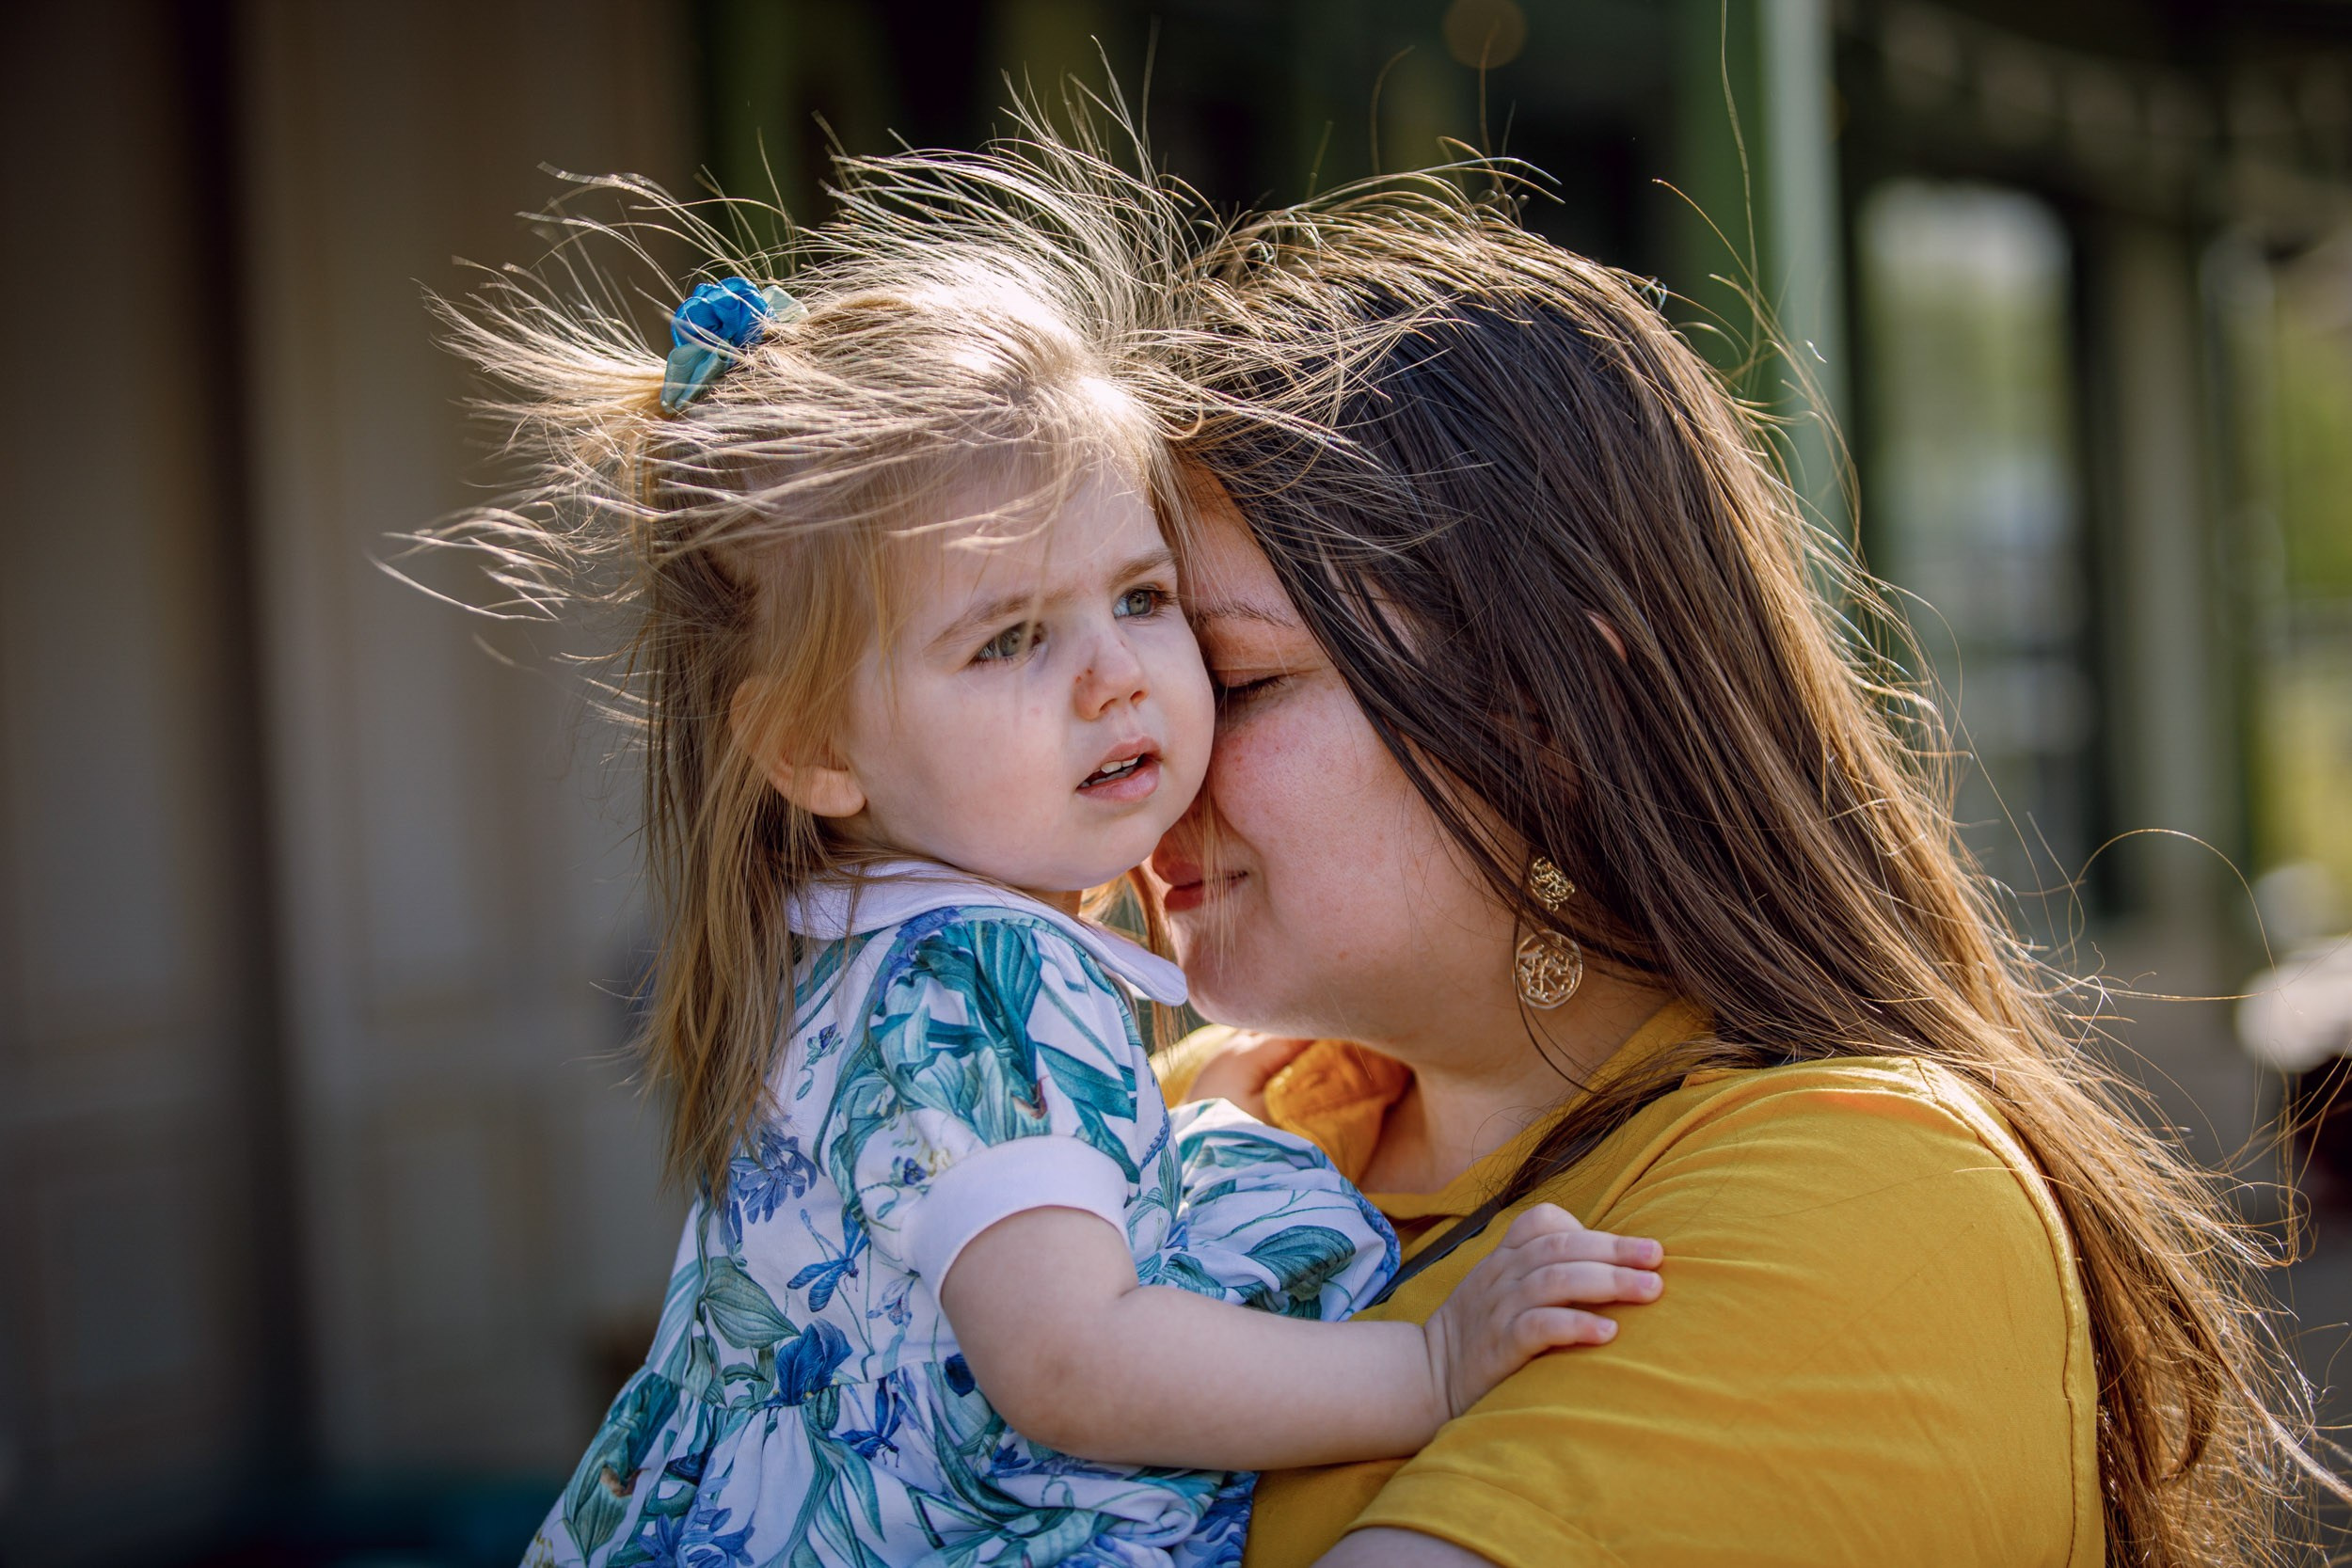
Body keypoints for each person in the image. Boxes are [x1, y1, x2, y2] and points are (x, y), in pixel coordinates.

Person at [432, 143, 1663, 1568]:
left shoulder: (868, 956)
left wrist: (1197, 1139)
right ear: (812, 747)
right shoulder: (987, 971)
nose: (1118, 678)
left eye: (1145, 601)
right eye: (1010, 637)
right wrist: (1434, 1368)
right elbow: (1072, 1367)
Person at [1148, 182, 2337, 1568]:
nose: (1143, 769)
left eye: (1229, 682)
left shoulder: (1874, 1202)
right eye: (1110, 688)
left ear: (1550, 712)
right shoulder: (1210, 1110)